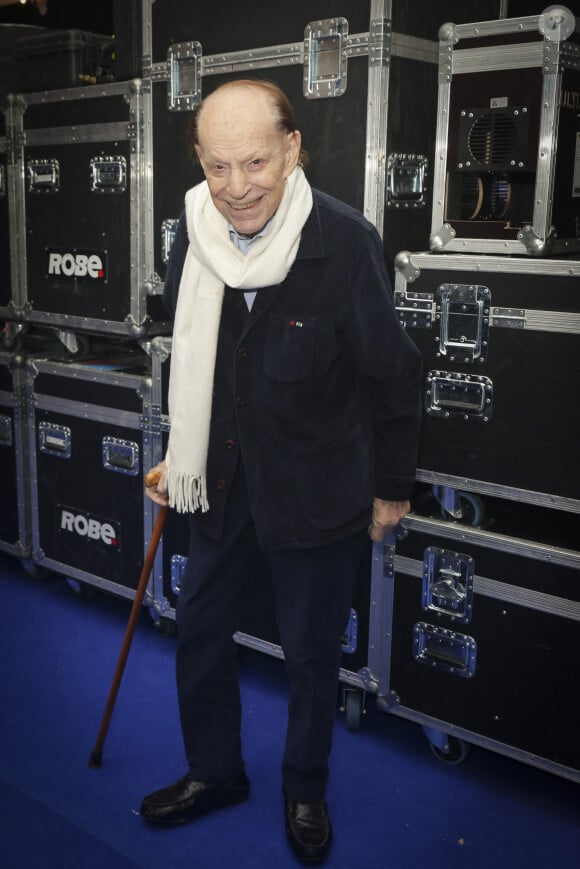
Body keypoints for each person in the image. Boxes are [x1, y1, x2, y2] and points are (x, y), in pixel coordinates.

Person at [141, 78, 422, 865]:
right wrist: (180, 449)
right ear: (198, 160)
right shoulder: (189, 235)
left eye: (256, 161)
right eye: (219, 165)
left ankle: (304, 787)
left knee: (309, 655)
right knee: (197, 632)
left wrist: (393, 484)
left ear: (293, 148)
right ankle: (215, 773)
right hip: (219, 482)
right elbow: (201, 367)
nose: (237, 188)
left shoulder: (344, 241)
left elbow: (394, 377)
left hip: (317, 484)